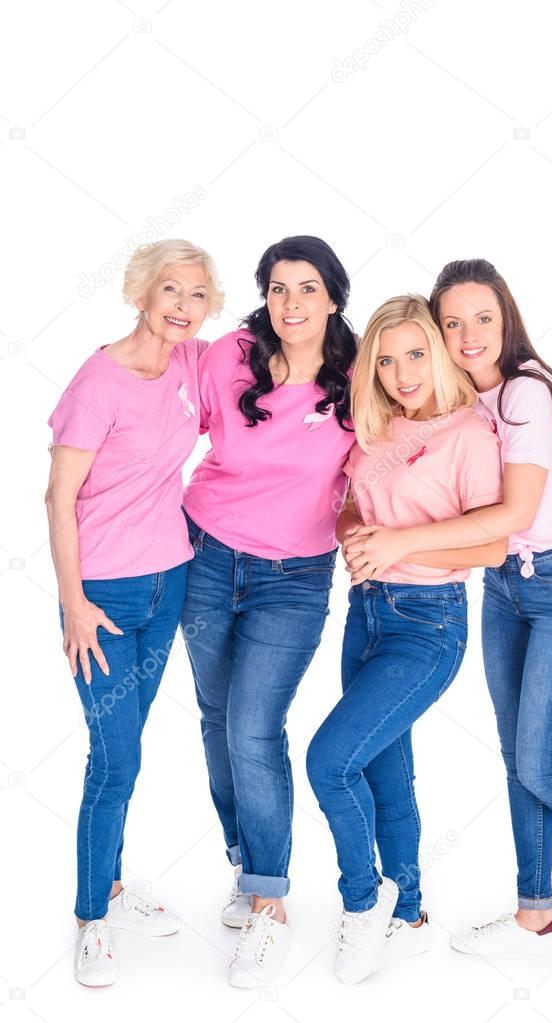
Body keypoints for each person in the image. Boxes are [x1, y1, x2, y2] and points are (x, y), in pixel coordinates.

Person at [347, 259, 552, 955]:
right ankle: (534, 911)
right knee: (515, 754)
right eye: (452, 322)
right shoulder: (457, 399)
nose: (468, 335)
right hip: (503, 589)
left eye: (482, 319)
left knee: (540, 763)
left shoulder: (526, 392)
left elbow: (514, 510)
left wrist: (399, 538)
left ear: (506, 320)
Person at [307, 295, 506, 984]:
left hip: (427, 623)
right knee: (382, 769)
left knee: (328, 762)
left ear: (438, 352)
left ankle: (362, 902)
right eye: (385, 360)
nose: (401, 372)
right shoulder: (379, 427)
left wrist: (397, 545)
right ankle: (410, 915)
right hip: (365, 612)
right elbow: (352, 508)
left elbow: (494, 544)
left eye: (414, 354)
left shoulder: (470, 434)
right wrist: (355, 539)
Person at [45, 239, 223, 986]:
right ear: (141, 294)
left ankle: (113, 885)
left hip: (169, 582)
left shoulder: (188, 361)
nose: (182, 307)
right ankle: (91, 914)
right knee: (115, 759)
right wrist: (74, 603)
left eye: (196, 295)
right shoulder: (97, 382)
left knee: (127, 745)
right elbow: (57, 499)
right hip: (106, 597)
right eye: (170, 292)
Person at [180, 235, 356, 988]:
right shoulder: (231, 354)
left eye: (307, 288)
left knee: (255, 725)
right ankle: (245, 863)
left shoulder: (358, 373)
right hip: (207, 555)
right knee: (216, 718)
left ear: (332, 297)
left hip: (295, 576)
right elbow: (163, 424)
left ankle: (271, 903)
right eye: (278, 288)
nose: (291, 303)